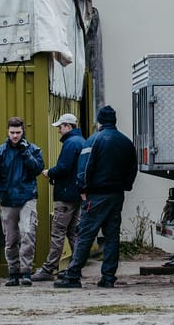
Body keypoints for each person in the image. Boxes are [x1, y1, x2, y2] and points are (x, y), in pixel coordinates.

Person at [54, 104, 137, 289]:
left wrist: (82, 189)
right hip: (117, 195)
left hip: (96, 196)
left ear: (99, 121)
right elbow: (132, 167)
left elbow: (84, 167)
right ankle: (108, 277)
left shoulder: (94, 140)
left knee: (85, 234)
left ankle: (73, 275)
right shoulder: (126, 142)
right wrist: (126, 186)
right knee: (112, 236)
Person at [0, 116, 46, 286]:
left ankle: (26, 271)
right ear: (7, 132)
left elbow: (38, 169)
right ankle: (13, 272)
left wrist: (25, 153)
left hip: (27, 197)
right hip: (7, 199)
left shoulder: (33, 150)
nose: (15, 136)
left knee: (28, 234)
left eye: (18, 132)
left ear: (23, 131)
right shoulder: (0, 152)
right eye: (12, 132)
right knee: (10, 239)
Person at [32, 112, 85, 282]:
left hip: (65, 195)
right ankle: (75, 268)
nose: (58, 131)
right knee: (73, 233)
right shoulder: (81, 141)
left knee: (58, 233)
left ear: (68, 126)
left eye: (60, 127)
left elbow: (63, 167)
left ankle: (48, 269)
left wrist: (50, 172)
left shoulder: (70, 143)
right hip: (76, 195)